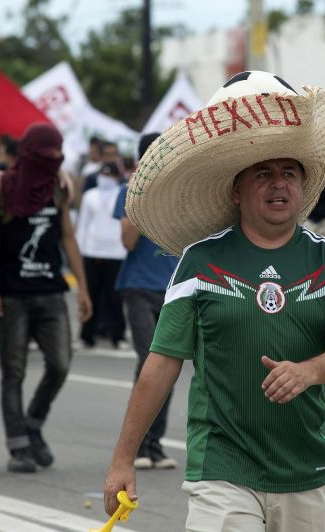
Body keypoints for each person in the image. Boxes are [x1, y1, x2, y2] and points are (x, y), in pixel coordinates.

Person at [104, 72, 325, 531]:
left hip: (304, 471)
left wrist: (309, 371)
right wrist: (122, 460)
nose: (278, 183)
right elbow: (162, 362)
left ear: (304, 188)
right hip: (221, 470)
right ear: (236, 190)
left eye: (289, 172)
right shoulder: (200, 262)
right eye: (263, 173)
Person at [0, 123, 92, 473]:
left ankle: (33, 422)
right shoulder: (4, 187)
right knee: (13, 371)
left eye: (58, 153)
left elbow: (67, 236)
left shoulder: (57, 186)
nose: (53, 159)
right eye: (47, 154)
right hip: (13, 295)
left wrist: (83, 286)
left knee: (61, 364)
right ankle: (18, 446)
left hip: (51, 292)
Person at [112, 132, 179, 470]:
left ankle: (155, 445)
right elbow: (126, 241)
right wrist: (142, 194)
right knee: (149, 359)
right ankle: (137, 445)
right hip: (138, 286)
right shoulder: (129, 192)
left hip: (172, 289)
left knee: (169, 362)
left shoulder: (180, 192)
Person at [75, 161, 128, 349]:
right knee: (91, 294)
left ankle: (118, 336)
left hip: (116, 252)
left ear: (116, 177)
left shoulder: (123, 193)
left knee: (115, 297)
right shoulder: (90, 196)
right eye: (102, 175)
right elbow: (83, 224)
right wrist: (79, 250)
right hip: (92, 251)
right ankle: (86, 336)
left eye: (109, 175)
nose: (105, 179)